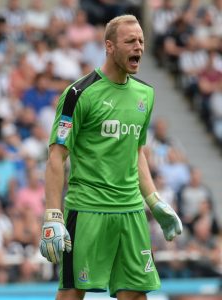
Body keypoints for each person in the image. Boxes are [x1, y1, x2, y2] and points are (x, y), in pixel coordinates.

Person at [39, 14, 183, 300]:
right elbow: (57, 156)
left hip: (130, 212)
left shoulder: (146, 94)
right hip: (88, 210)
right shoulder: (79, 94)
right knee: (71, 294)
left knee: (136, 296)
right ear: (109, 46)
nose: (138, 47)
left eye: (141, 41)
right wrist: (52, 216)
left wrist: (154, 201)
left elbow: (137, 151)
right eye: (130, 41)